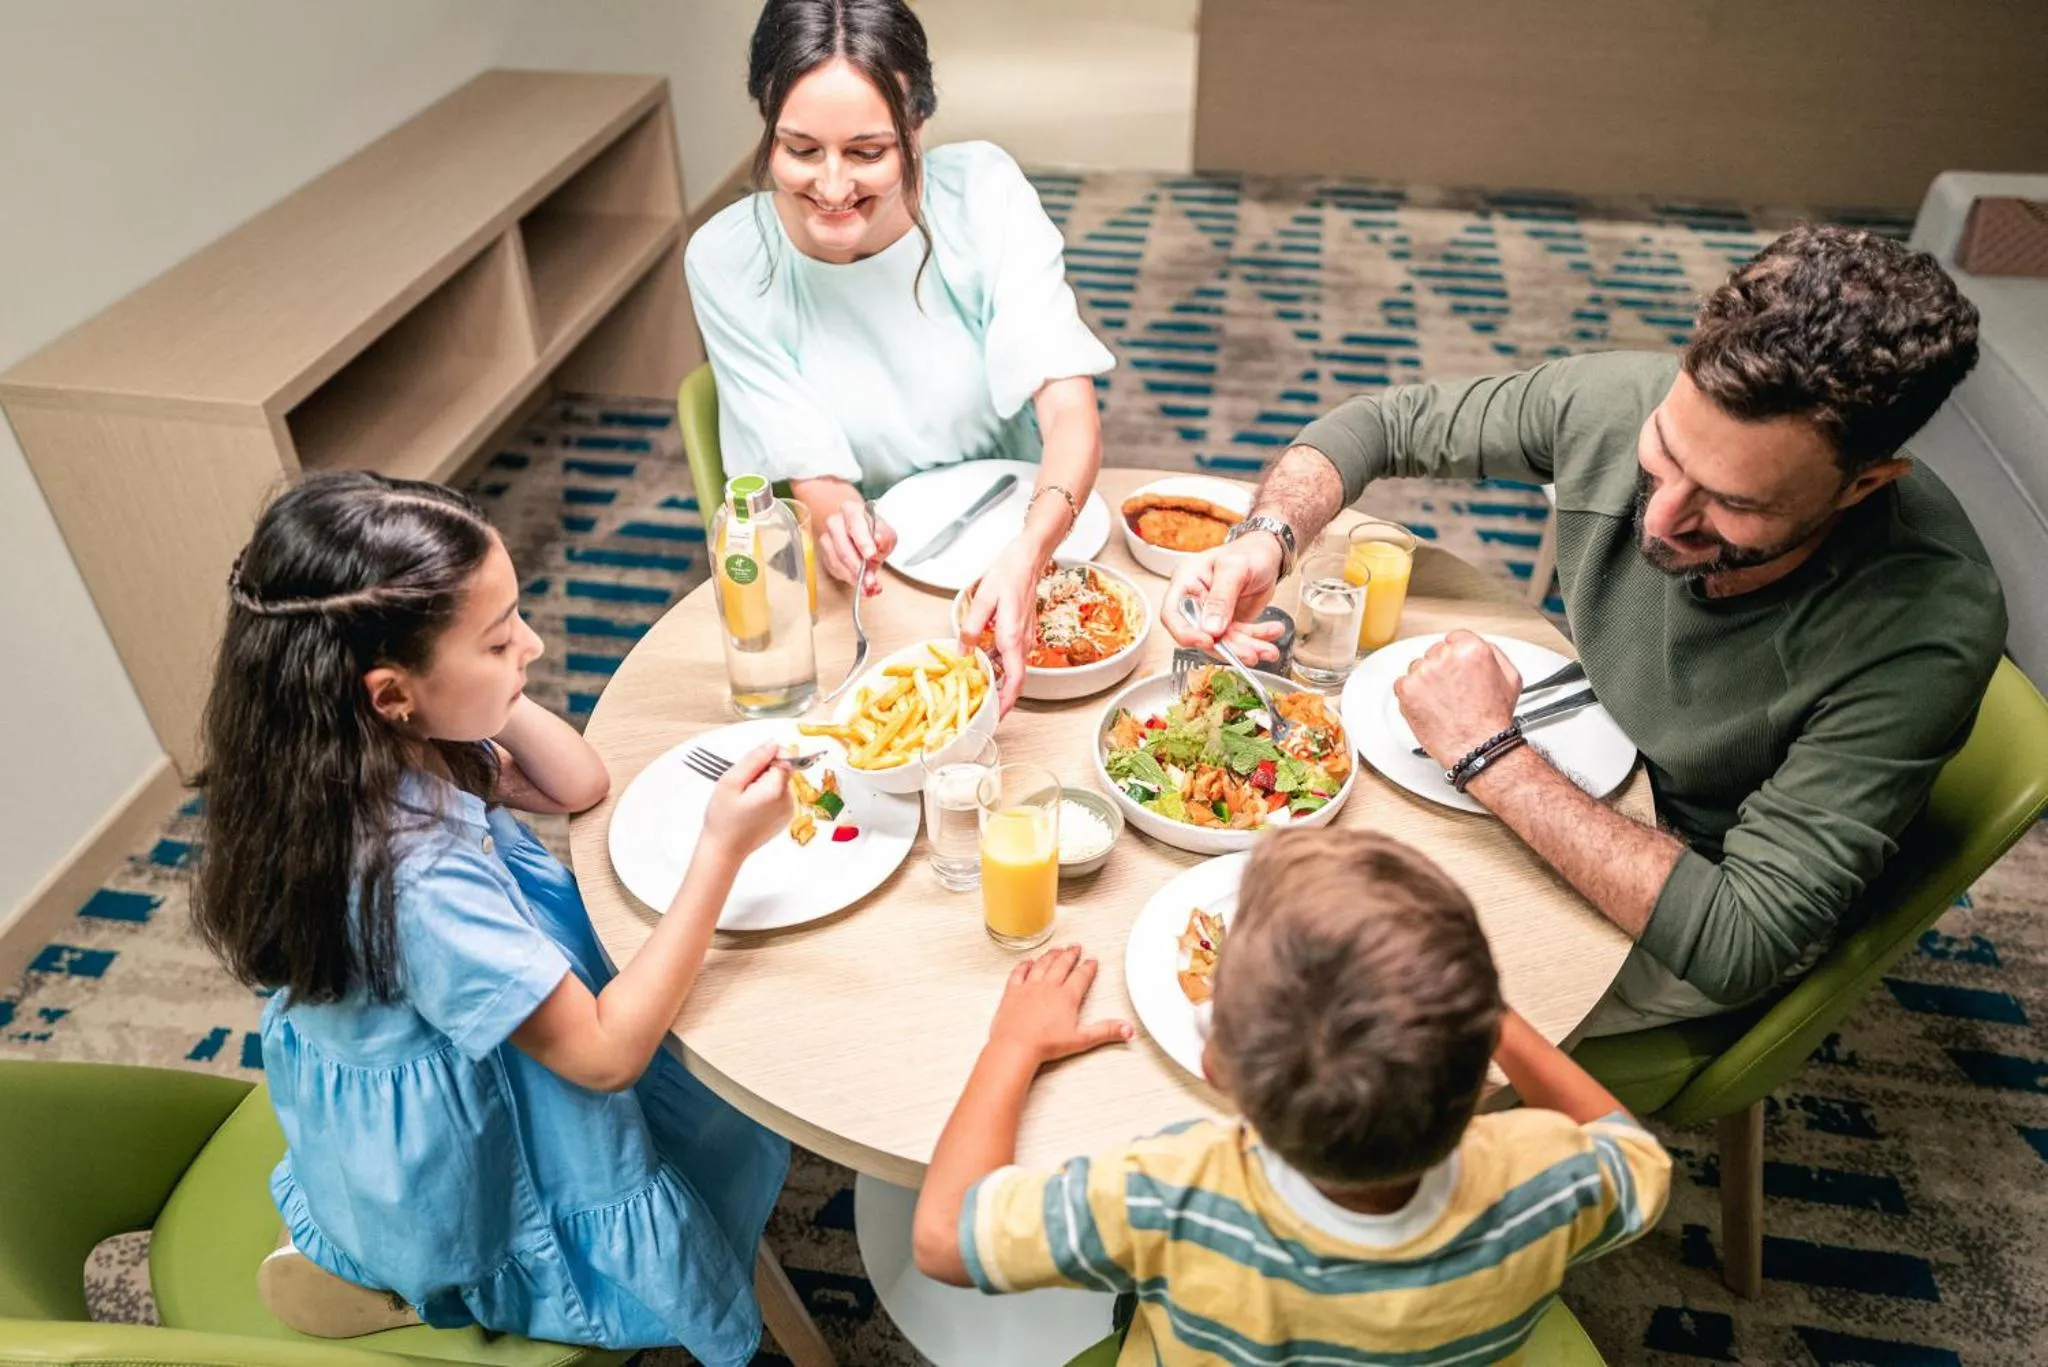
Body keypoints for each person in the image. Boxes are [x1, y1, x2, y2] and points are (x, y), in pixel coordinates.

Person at [1165, 225, 2006, 1033]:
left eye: (1735, 502)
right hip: (1579, 753)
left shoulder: (1928, 628)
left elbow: (1742, 937)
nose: (1664, 517)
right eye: (1666, 450)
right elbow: (1377, 428)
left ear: (1864, 486)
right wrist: (1266, 539)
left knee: (1312, 1006)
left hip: (1689, 889)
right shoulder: (1621, 397)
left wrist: (1489, 753)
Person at [190, 472, 795, 1362]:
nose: (536, 643)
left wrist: (493, 688)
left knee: (723, 1089)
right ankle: (409, 1279)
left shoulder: (350, 747)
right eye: (502, 636)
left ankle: (383, 1251)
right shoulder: (413, 877)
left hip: (447, 1042)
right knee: (696, 1111)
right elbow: (602, 1056)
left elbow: (579, 782)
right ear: (391, 692)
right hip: (466, 1140)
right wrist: (721, 852)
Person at [910, 829, 1671, 1364]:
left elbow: (943, 1237)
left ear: (1216, 1065)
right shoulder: (1543, 1178)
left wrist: (1013, 1045)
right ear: (1477, 1071)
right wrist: (1482, 1009)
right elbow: (1636, 1153)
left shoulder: (1167, 1192)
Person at [685, 0, 1116, 709]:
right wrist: (845, 524)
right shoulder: (728, 260)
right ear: (767, 124)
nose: (830, 188)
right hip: (872, 589)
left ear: (917, 125)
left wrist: (1030, 552)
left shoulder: (983, 195)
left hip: (1015, 538)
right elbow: (810, 467)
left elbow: (1069, 413)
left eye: (866, 152)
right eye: (799, 150)